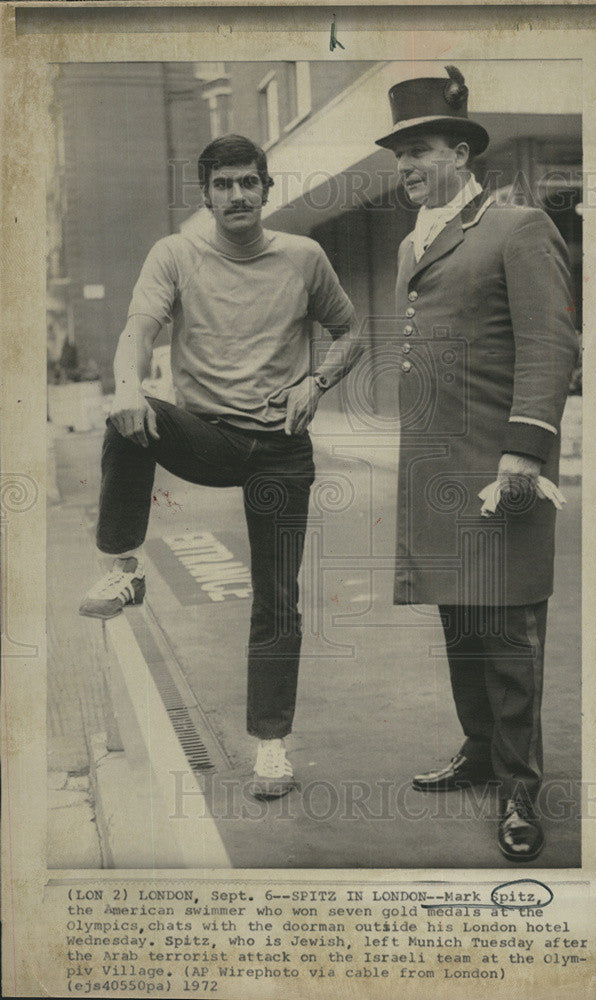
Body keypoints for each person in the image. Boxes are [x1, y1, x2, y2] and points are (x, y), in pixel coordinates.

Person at [79, 134, 363, 800]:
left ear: (267, 189)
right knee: (131, 416)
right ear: (204, 195)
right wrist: (125, 386)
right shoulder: (175, 254)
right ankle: (124, 567)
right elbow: (138, 329)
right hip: (208, 436)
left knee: (277, 598)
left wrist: (316, 383)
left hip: (282, 447)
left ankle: (270, 745)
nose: (237, 195)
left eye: (248, 183)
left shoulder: (304, 257)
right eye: (223, 185)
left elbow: (349, 332)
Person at [375, 67, 578, 862]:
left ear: (461, 152)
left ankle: (521, 790)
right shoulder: (409, 243)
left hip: (499, 468)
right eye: (398, 157)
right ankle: (479, 748)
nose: (405, 169)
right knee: (458, 618)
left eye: (418, 151)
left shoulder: (518, 225)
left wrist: (525, 448)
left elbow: (551, 344)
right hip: (436, 470)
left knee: (509, 629)